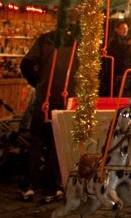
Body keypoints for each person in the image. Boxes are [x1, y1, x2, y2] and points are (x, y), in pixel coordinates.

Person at [19, 17, 78, 203]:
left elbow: (26, 64)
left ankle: (28, 184)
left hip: (45, 97)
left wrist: (38, 82)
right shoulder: (81, 45)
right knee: (56, 143)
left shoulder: (46, 40)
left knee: (37, 141)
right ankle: (50, 187)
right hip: (65, 100)